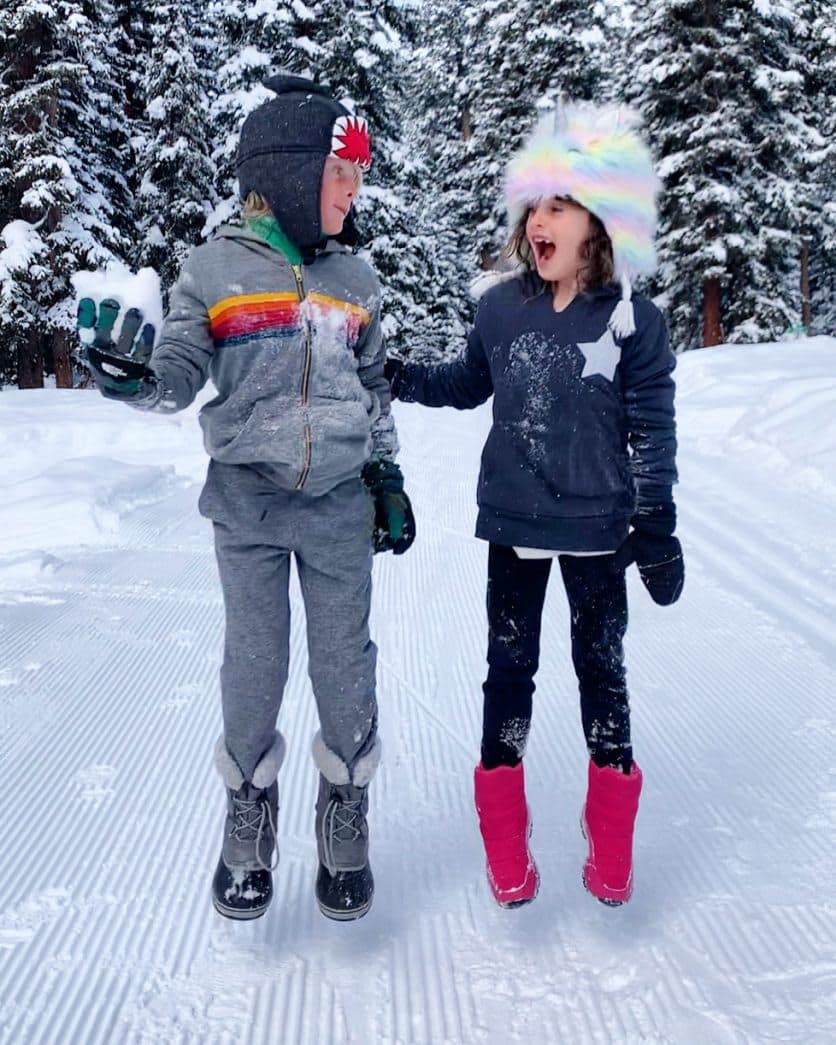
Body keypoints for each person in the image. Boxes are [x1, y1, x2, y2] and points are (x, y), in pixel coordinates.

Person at [76, 73, 415, 922]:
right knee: (254, 665)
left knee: (344, 667)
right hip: (249, 506)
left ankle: (344, 803)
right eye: (342, 176)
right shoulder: (216, 269)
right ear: (295, 172)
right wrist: (138, 380)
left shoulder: (356, 277)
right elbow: (180, 371)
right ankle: (248, 811)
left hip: (338, 503)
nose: (353, 193)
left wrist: (387, 474)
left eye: (357, 179)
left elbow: (374, 391)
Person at [386, 102, 683, 908]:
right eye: (534, 208)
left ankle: (610, 845)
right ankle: (506, 845)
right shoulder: (499, 307)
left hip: (597, 531)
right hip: (515, 525)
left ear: (601, 221)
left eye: (559, 206)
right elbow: (466, 382)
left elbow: (653, 423)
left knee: (602, 673)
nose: (539, 223)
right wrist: (402, 376)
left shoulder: (633, 320)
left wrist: (656, 519)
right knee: (508, 672)